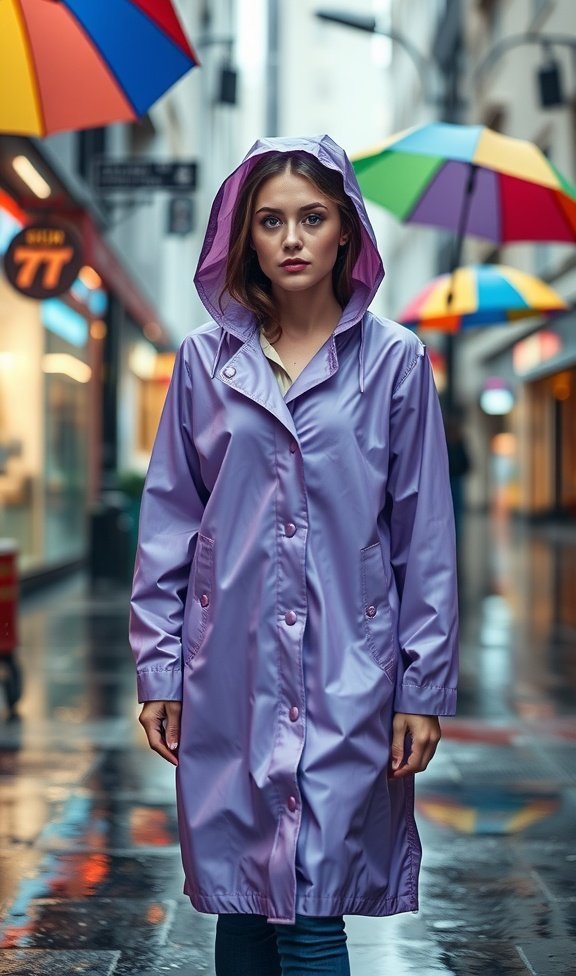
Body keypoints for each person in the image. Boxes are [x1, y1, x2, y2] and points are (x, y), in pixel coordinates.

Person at [129, 135, 459, 976]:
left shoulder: (395, 363)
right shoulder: (207, 363)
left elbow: (423, 536)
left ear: (346, 230)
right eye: (270, 221)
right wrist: (160, 669)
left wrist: (420, 686)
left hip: (351, 669)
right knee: (239, 904)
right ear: (246, 238)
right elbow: (170, 520)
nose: (292, 239)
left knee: (314, 911)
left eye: (312, 218)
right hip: (228, 668)